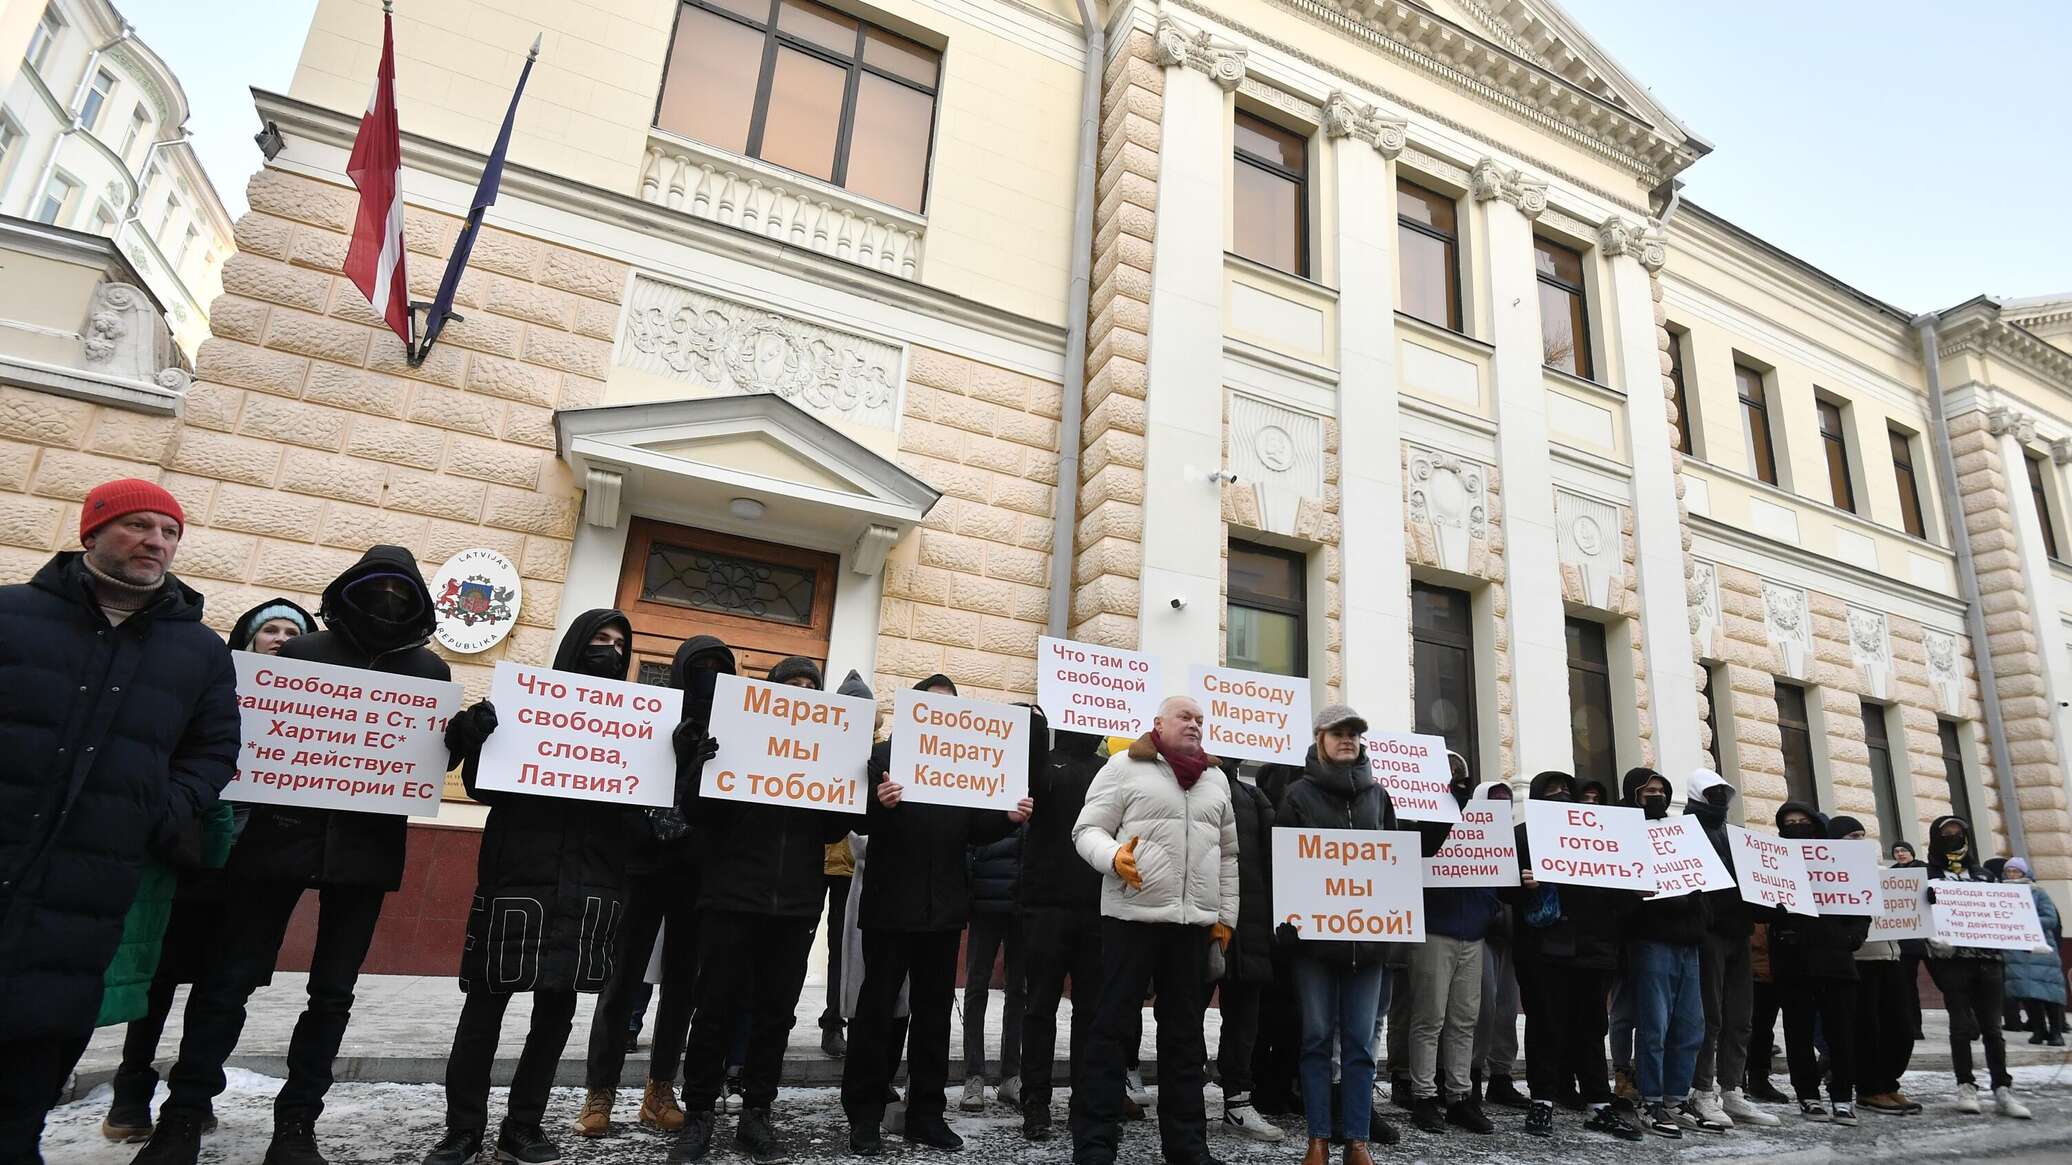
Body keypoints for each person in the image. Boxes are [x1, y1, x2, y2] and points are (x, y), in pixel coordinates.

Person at [136, 545, 447, 1165]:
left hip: (366, 849)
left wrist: (460, 740)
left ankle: (297, 1126)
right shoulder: (303, 654)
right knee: (227, 982)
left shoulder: (430, 673)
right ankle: (183, 1116)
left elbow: (419, 764)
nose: (388, 601)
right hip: (277, 838)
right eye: (377, 588)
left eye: (401, 592)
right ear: (350, 589)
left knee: (333, 994)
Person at [1, 480, 240, 1165]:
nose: (156, 542)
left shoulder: (197, 651)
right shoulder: (12, 615)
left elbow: (213, 748)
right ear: (92, 532)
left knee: (41, 1046)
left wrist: (156, 809)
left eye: (169, 532)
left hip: (94, 882)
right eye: (139, 526)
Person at [421, 610, 645, 1165]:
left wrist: (677, 760)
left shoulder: (636, 727)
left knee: (555, 1017)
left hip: (590, 886)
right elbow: (479, 785)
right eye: (599, 639)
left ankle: (524, 1126)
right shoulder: (525, 708)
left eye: (620, 644)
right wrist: (476, 738)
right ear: (574, 644)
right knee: (484, 1013)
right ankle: (463, 1129)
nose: (610, 651)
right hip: (517, 880)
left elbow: (644, 817)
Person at [102, 600, 314, 1144]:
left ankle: (191, 1097)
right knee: (160, 978)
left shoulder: (317, 704)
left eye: (295, 632)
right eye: (271, 628)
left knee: (226, 987)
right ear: (247, 637)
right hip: (191, 853)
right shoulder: (206, 684)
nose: (282, 639)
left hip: (261, 863)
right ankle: (132, 1091)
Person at [673, 655, 858, 1165]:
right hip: (731, 897)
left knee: (775, 1015)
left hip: (796, 904)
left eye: (809, 686)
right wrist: (703, 765)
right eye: (791, 684)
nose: (800, 692)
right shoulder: (732, 742)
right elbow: (694, 811)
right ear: (770, 694)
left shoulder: (820, 755)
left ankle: (757, 1113)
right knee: (713, 1010)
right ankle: (699, 1116)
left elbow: (831, 831)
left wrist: (847, 782)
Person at [843, 676, 1034, 1156]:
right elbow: (854, 816)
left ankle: (926, 1114)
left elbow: (974, 827)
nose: (942, 715)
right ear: (915, 709)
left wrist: (1006, 818)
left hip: (944, 911)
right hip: (890, 909)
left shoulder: (962, 760)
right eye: (933, 706)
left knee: (933, 1018)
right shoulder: (882, 758)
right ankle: (863, 1116)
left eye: (951, 708)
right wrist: (878, 805)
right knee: (875, 1014)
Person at [1070, 695, 1237, 1165]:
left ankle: (1187, 1148)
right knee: (1110, 1032)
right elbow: (1086, 831)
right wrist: (1113, 858)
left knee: (1185, 1039)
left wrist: (1226, 917)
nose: (1195, 724)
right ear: (1158, 724)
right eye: (1185, 716)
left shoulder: (1216, 780)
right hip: (1131, 920)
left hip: (1191, 927)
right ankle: (1096, 1145)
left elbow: (1229, 857)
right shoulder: (1124, 766)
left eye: (1200, 719)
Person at [576, 636, 733, 1138]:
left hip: (699, 874)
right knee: (622, 982)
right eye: (700, 666)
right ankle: (599, 1092)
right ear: (680, 669)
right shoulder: (650, 716)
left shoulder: (735, 726)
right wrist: (677, 761)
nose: (708, 674)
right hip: (643, 868)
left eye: (718, 668)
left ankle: (660, 1089)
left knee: (682, 987)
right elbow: (627, 783)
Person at [1273, 704, 1441, 1165]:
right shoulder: (1296, 796)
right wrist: (1286, 923)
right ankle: (1318, 1138)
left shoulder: (1379, 797)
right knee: (1316, 1039)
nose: (1348, 739)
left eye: (1354, 733)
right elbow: (1282, 866)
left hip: (1369, 947)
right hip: (1314, 946)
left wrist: (1394, 927)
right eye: (1338, 732)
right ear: (1320, 739)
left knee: (1363, 1046)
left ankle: (1358, 1140)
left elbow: (1392, 866)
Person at [1506, 771, 1640, 1142]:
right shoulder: (1523, 836)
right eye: (1551, 792)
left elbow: (1626, 893)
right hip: (1543, 952)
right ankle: (1542, 1101)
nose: (1561, 796)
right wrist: (1525, 886)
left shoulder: (1603, 835)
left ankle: (1599, 1104)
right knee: (1545, 1025)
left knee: (1591, 1028)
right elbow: (1501, 887)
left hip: (1593, 950)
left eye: (1567, 790)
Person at [1618, 769, 1718, 1138]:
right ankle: (1651, 1099)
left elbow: (1704, 881)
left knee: (1691, 1026)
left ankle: (1676, 1098)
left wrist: (1701, 918)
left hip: (1689, 941)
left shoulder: (1682, 833)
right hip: (1651, 941)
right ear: (1634, 794)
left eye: (1661, 790)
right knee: (1654, 1027)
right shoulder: (1625, 831)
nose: (1656, 796)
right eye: (1648, 791)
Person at [1019, 729, 1106, 1142]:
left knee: (1090, 1012)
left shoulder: (1111, 769)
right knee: (1039, 1009)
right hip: (1045, 904)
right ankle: (1035, 1102)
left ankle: (1083, 1104)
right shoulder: (1042, 762)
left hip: (1096, 906)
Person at [1406, 753, 1497, 1136]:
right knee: (1429, 1018)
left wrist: (1487, 905)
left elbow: (1494, 863)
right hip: (1435, 930)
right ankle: (1423, 1096)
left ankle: (1460, 1096)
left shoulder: (1482, 816)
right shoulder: (1421, 816)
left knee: (1464, 1020)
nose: (1456, 778)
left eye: (1460, 772)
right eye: (1449, 772)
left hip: (1472, 933)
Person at [1680, 769, 1771, 1128]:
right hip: (1708, 934)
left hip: (1739, 932)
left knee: (1740, 1017)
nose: (1719, 797)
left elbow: (1755, 878)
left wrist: (1770, 901)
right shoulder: (1684, 832)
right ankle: (1702, 1090)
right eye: (1712, 791)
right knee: (1710, 1016)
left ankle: (1732, 1087)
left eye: (1723, 791)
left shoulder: (1737, 836)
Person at [1923, 815, 2029, 1118]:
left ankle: (2002, 1089)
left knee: (1993, 1029)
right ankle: (1965, 1086)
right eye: (1946, 834)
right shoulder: (1929, 874)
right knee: (1960, 1027)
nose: (1953, 838)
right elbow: (1918, 913)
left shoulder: (1983, 876)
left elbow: (2001, 913)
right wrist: (1934, 934)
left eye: (1958, 833)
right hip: (1953, 962)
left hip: (1989, 960)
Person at [1770, 802, 1868, 1126]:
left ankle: (1842, 1098)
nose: (1797, 826)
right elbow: (1762, 912)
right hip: (1793, 964)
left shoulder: (1842, 862)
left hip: (1836, 964)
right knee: (1797, 1034)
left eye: (1802, 821)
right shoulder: (1775, 863)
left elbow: (1860, 910)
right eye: (1790, 822)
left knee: (1841, 1035)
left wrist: (1849, 939)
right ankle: (1808, 1096)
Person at [1214, 756, 1283, 1144]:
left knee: (1243, 1022)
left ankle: (1237, 1104)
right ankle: (1184, 1103)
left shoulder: (1254, 796)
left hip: (1250, 924)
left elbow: (1279, 851)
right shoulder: (1185, 785)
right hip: (1201, 922)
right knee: (1185, 1018)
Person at [1835, 817, 1920, 1116]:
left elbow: (1907, 904)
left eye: (1861, 835)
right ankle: (1870, 1088)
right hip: (1862, 960)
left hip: (1892, 957)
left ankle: (1889, 1084)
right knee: (1867, 1029)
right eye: (1850, 836)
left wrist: (1924, 900)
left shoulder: (1885, 875)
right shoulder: (1834, 876)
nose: (1858, 841)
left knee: (1901, 1027)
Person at [961, 796, 1026, 1113]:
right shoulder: (988, 783)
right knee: (976, 987)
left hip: (1023, 903)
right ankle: (974, 1075)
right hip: (985, 901)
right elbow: (970, 837)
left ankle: (1011, 1075)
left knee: (1018, 991)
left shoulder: (1036, 781)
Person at [1469, 782, 1525, 1110]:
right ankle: (1472, 1073)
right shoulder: (1470, 836)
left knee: (1506, 1009)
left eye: (1505, 802)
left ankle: (1501, 1074)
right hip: (1481, 932)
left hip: (1511, 933)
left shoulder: (1516, 839)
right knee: (1481, 1009)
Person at [1999, 858, 2066, 1046]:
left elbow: (2050, 919)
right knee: (2026, 993)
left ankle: (2055, 1032)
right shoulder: (2000, 893)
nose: (2012, 874)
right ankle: (2038, 1030)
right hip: (2016, 952)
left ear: (2024, 873)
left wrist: (2026, 921)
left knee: (2050, 992)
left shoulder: (2038, 892)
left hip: (2040, 950)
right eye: (2009, 871)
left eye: (2016, 871)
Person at [820, 834, 855, 1059]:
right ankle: (779, 1021)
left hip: (851, 863)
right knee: (791, 948)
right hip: (807, 855)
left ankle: (833, 1025)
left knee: (843, 950)